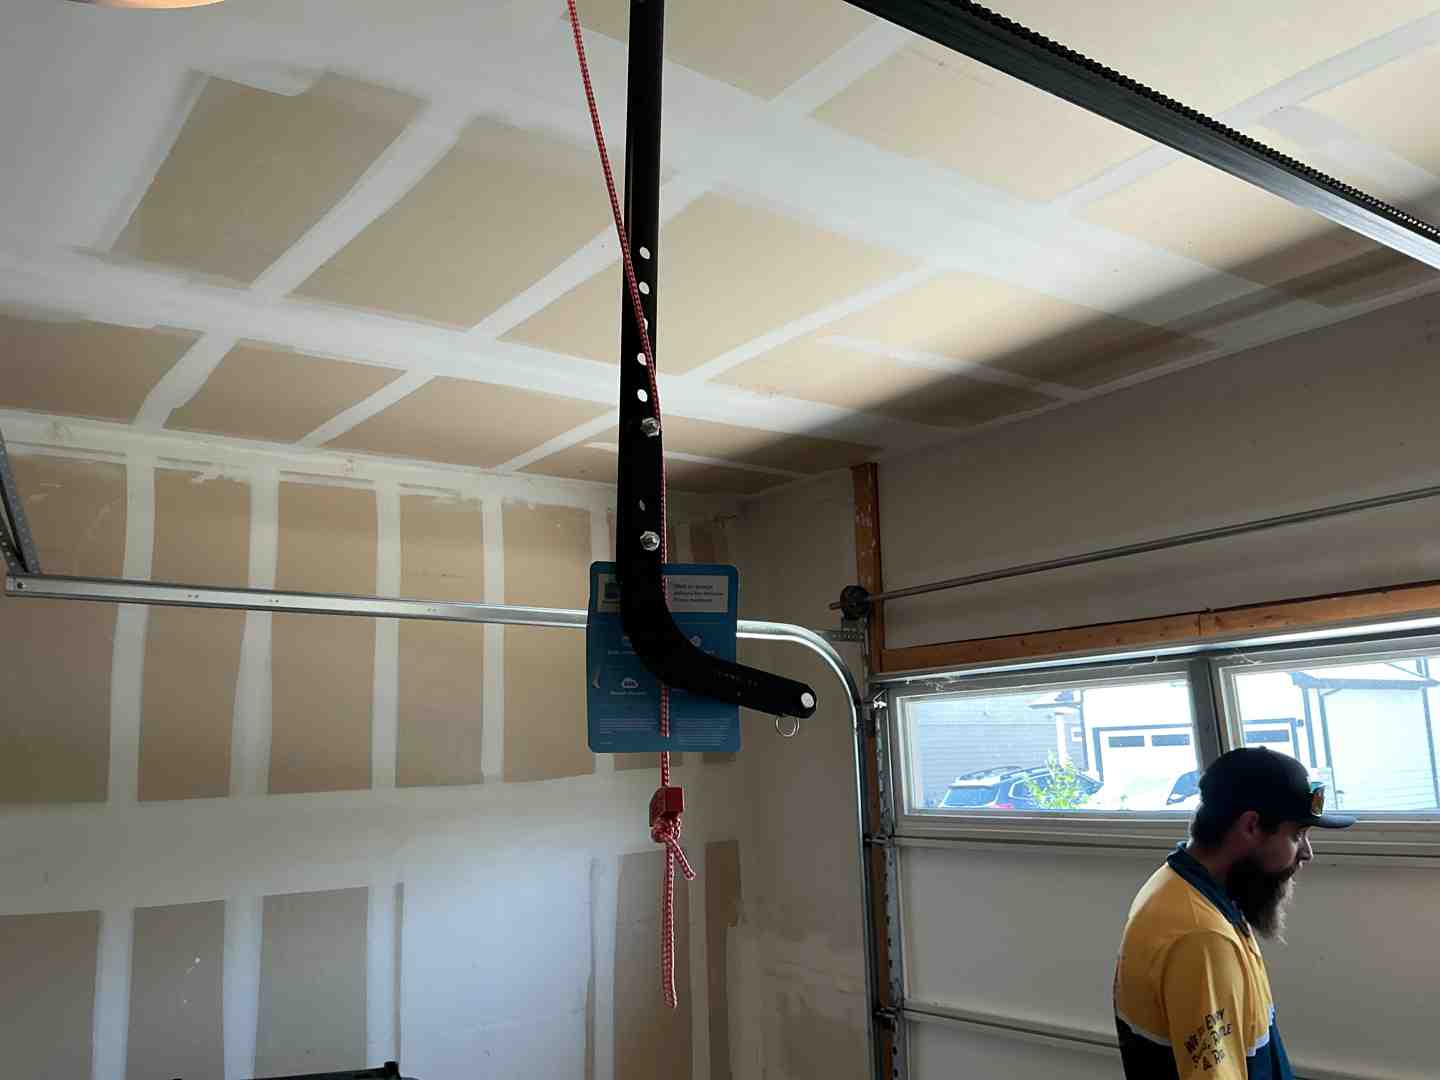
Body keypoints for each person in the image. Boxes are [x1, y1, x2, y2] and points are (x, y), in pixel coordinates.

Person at [1114, 747, 1355, 1079]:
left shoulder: (1189, 888)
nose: (1307, 853)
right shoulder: (1201, 937)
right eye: (1297, 835)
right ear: (1252, 826)